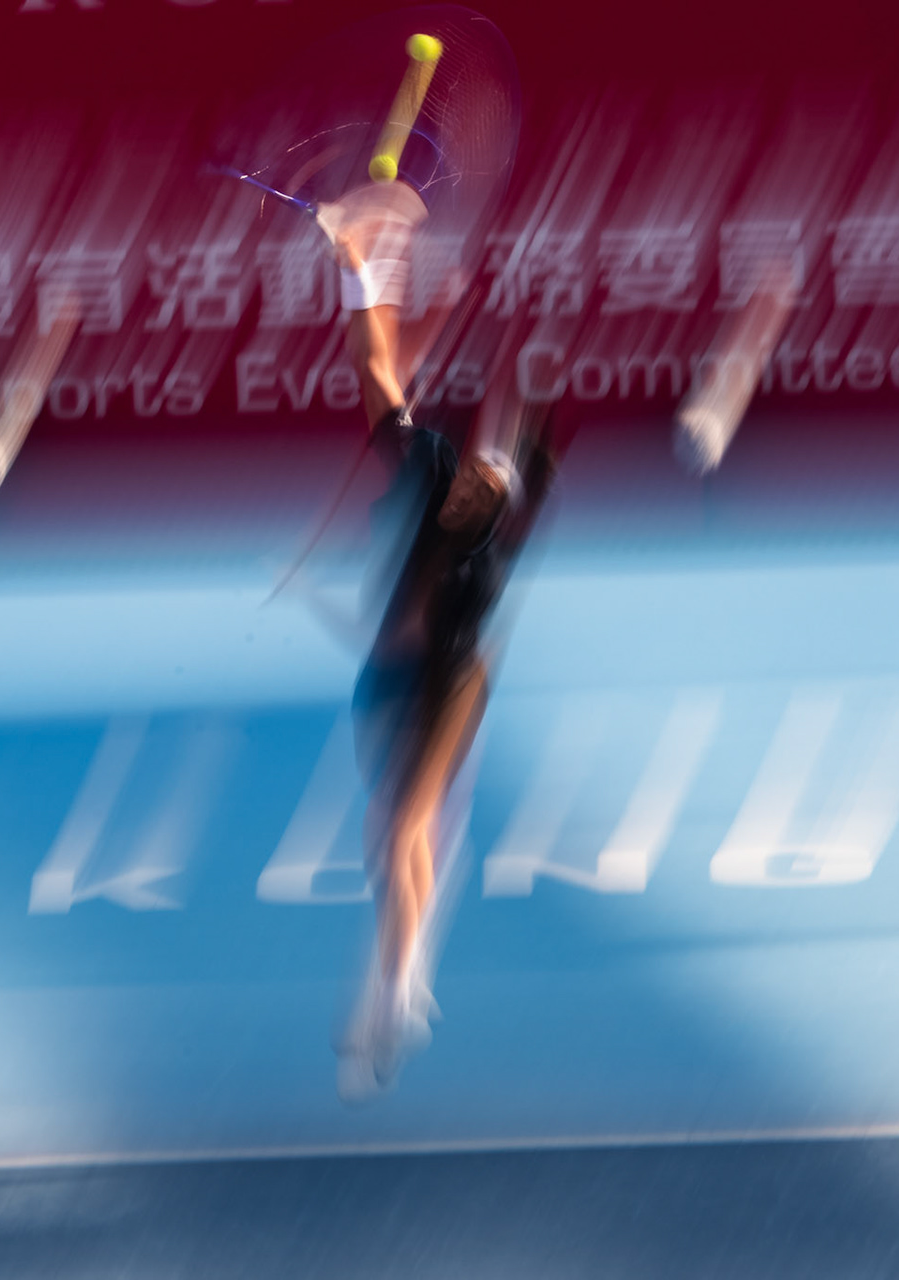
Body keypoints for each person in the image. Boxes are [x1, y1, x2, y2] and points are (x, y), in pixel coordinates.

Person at [320, 181, 556, 1097]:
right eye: (473, 478)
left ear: (492, 516)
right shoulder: (433, 471)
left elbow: (432, 633)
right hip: (390, 677)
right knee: (392, 839)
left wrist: (369, 252)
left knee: (402, 827)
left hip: (451, 681)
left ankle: (399, 987)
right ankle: (400, 983)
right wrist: (356, 261)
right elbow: (373, 365)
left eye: (483, 494)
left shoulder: (479, 570)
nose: (470, 488)